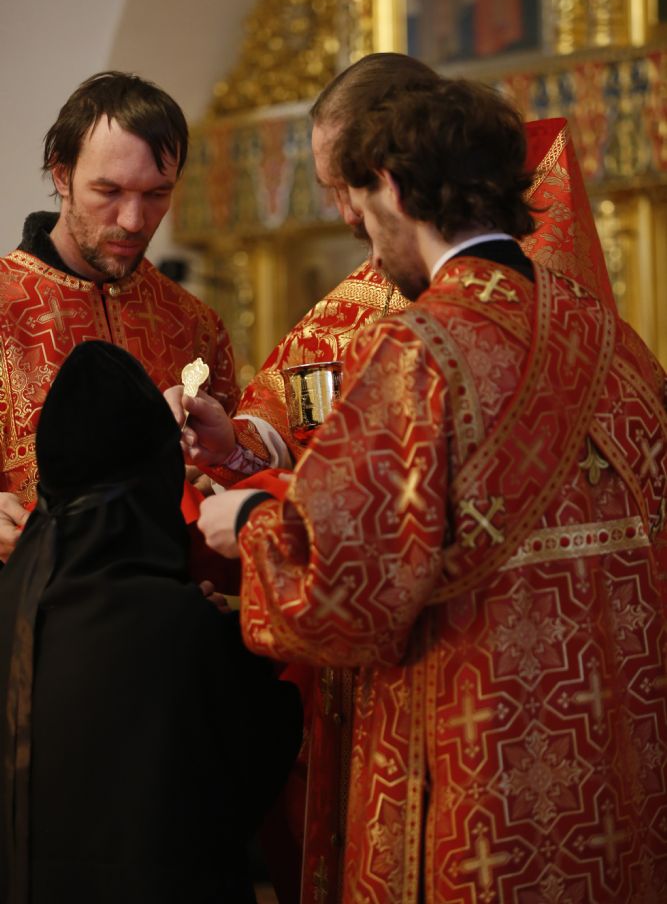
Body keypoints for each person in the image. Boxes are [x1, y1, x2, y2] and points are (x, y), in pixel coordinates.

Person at [191, 76, 667, 902]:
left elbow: (344, 591)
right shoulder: (611, 341)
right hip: (611, 771)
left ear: (392, 187)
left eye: (359, 200)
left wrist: (256, 520)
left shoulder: (421, 349)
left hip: (474, 758)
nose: (360, 230)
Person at [0, 340, 302, 904]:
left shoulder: (10, 597)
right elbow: (260, 764)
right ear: (161, 473)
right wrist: (217, 641)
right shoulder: (184, 625)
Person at [0, 70, 250, 564]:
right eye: (109, 191)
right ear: (62, 175)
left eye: (157, 194)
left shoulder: (195, 324)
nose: (134, 221)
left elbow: (232, 479)